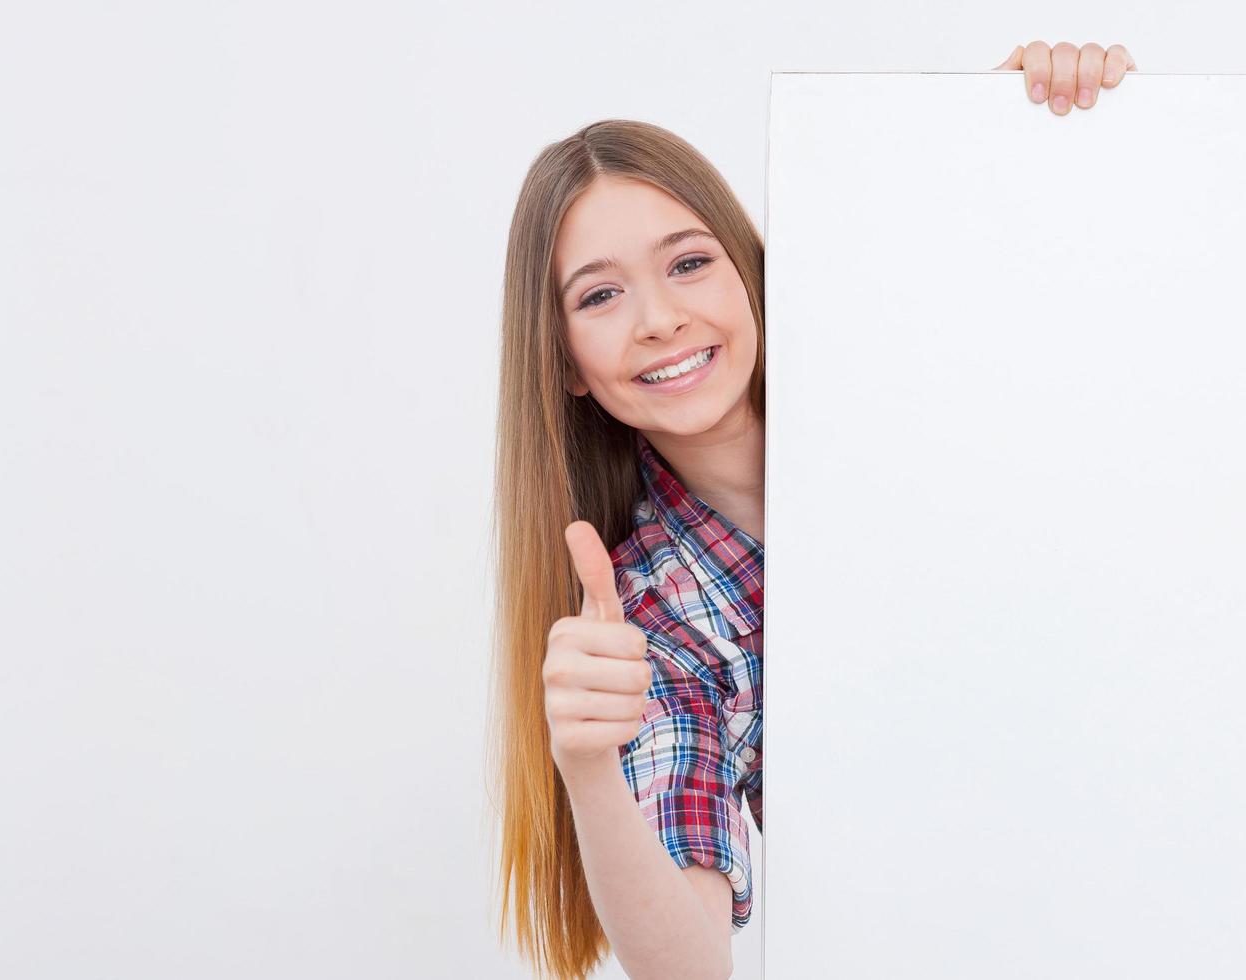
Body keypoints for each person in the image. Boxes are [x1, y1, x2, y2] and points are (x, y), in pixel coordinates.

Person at [488, 40, 1138, 980]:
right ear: (563, 364)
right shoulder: (653, 615)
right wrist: (587, 765)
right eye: (599, 295)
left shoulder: (907, 381)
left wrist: (1026, 124)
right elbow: (687, 964)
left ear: (748, 269)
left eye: (688, 262)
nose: (659, 319)